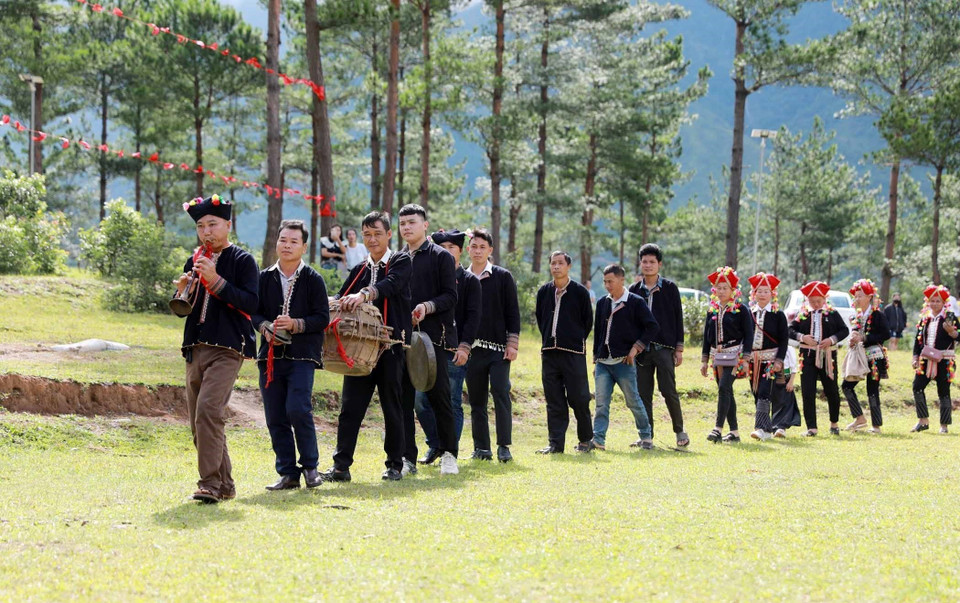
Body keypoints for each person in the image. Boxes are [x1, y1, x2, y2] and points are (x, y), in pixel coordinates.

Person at [173, 194, 259, 503]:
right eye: (200, 226)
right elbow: (182, 309)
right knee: (200, 419)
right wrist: (183, 289)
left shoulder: (243, 260)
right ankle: (225, 485)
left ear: (228, 225)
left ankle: (208, 483)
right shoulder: (193, 259)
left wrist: (216, 281)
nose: (207, 232)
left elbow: (251, 303)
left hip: (228, 348)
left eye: (213, 224)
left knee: (209, 411)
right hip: (194, 347)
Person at [321, 211, 411, 482]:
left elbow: (390, 285)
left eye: (377, 234)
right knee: (350, 408)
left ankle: (395, 465)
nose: (372, 240)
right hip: (359, 348)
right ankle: (340, 467)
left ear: (389, 235)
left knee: (392, 406)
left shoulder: (401, 260)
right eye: (367, 235)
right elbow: (341, 294)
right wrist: (328, 301)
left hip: (390, 347)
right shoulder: (360, 267)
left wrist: (363, 294)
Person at [252, 220, 329, 491]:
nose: (287, 245)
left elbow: (322, 317)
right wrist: (265, 327)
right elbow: (254, 312)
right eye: (283, 239)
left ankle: (310, 468)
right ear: (277, 242)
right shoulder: (263, 277)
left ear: (304, 247)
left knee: (298, 408)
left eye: (293, 241)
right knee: (275, 415)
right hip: (270, 356)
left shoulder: (313, 279)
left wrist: (296, 325)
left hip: (302, 356)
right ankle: (287, 473)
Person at [397, 204, 460, 476]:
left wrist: (426, 307)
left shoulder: (440, 257)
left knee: (439, 397)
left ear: (425, 225)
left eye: (412, 222)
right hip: (400, 338)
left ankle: (449, 454)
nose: (407, 227)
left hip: (434, 338)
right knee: (403, 400)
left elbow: (450, 296)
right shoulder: (396, 259)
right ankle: (407, 458)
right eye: (402, 224)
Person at [415, 230, 481, 465]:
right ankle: (437, 444)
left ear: (460, 250)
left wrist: (464, 347)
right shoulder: (432, 278)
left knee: (452, 400)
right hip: (428, 347)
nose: (446, 251)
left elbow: (473, 318)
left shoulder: (469, 280)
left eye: (451, 247)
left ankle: (449, 452)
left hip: (455, 348)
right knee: (420, 400)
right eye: (442, 246)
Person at [465, 228, 521, 462]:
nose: (478, 251)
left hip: (498, 350)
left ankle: (504, 447)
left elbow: (512, 312)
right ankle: (482, 448)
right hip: (470, 350)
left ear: (490, 250)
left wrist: (513, 344)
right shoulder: (462, 278)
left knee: (500, 393)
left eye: (482, 247)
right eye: (474, 246)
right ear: (468, 249)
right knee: (476, 400)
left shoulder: (502, 276)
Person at [592, 264, 658, 450]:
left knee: (633, 401)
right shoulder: (602, 302)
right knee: (601, 404)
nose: (607, 285)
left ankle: (646, 437)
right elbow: (598, 332)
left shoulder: (635, 302)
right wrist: (595, 357)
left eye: (610, 281)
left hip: (624, 362)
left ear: (622, 280)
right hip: (603, 363)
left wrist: (636, 348)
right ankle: (598, 440)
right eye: (604, 282)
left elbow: (652, 327)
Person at [628, 243, 688, 447]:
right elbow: (629, 321)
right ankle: (647, 435)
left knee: (668, 390)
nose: (648, 265)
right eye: (644, 261)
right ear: (640, 263)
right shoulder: (634, 290)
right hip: (642, 352)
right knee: (643, 393)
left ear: (659, 264)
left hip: (664, 349)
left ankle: (680, 431)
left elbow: (678, 318)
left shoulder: (670, 288)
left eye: (652, 262)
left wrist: (679, 348)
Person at [535, 251, 594, 454]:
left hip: (573, 352)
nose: (556, 267)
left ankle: (586, 440)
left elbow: (588, 321)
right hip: (549, 353)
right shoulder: (544, 292)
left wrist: (574, 338)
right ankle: (555, 444)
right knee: (554, 400)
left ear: (568, 266)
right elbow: (540, 318)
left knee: (579, 398)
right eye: (553, 263)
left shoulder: (580, 292)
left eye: (560, 263)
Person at [788, 280, 849, 437]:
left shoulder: (832, 314)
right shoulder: (803, 315)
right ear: (807, 301)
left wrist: (831, 340)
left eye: (819, 301)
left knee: (831, 390)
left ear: (824, 300)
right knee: (808, 391)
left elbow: (844, 330)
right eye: (813, 301)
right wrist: (802, 337)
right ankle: (811, 427)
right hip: (807, 357)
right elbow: (790, 330)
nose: (816, 304)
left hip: (828, 356)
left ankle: (834, 423)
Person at [700, 267, 754, 443]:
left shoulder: (741, 309)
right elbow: (707, 337)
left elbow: (749, 335)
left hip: (735, 355)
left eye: (725, 288)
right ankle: (735, 432)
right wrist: (704, 360)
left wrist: (746, 359)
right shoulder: (712, 311)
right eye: (718, 288)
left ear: (733, 290)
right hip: (717, 357)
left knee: (724, 388)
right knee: (726, 391)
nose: (721, 291)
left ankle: (717, 428)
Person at [910, 285, 960, 434]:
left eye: (938, 301)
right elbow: (918, 341)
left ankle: (944, 425)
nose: (935, 303)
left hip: (944, 359)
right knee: (917, 386)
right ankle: (923, 421)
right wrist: (915, 357)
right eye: (932, 301)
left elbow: (959, 336)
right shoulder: (925, 319)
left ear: (944, 303)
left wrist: (952, 332)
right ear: (928, 302)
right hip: (926, 359)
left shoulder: (950, 317)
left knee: (943, 391)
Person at [841, 279, 889, 434]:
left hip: (874, 356)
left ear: (869, 297)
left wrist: (864, 338)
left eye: (860, 296)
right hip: (859, 356)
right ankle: (859, 417)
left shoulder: (877, 315)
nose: (857, 299)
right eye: (855, 296)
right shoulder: (857, 315)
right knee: (846, 385)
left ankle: (876, 425)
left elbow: (885, 334)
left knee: (872, 390)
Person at [746, 272, 788, 441]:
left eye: (766, 291)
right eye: (759, 291)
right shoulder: (749, 313)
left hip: (770, 359)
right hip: (753, 360)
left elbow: (784, 339)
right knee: (756, 392)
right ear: (753, 294)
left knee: (764, 391)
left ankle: (760, 428)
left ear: (772, 294)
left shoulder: (778, 314)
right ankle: (768, 429)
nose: (762, 294)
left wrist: (779, 360)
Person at [771, 345, 802, 437]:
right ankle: (774, 426)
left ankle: (781, 428)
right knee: (775, 403)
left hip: (786, 378)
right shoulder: (771, 347)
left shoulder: (789, 348)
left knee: (785, 403)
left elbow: (793, 367)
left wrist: (791, 382)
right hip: (773, 377)